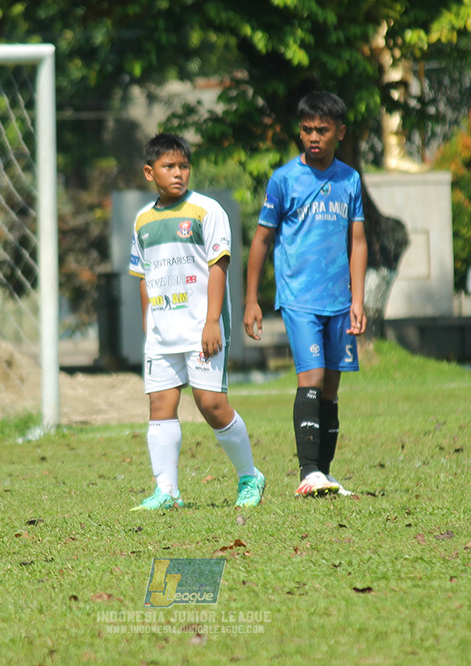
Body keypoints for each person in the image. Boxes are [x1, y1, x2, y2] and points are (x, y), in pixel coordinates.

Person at [128, 133, 266, 510]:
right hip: (161, 334)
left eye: (183, 166)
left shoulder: (207, 211)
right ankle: (167, 491)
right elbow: (143, 277)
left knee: (211, 405)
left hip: (200, 328)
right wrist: (147, 325)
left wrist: (210, 322)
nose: (178, 174)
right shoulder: (141, 219)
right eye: (169, 167)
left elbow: (218, 267)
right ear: (149, 172)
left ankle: (249, 476)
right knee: (160, 406)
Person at [243, 91, 367, 497]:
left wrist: (358, 300)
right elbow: (261, 240)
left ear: (340, 133)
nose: (313, 137)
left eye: (323, 130)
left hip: (339, 301)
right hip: (298, 299)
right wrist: (251, 300)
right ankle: (307, 471)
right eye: (307, 129)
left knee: (331, 388)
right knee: (311, 379)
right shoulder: (283, 180)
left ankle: (323, 476)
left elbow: (359, 241)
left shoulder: (350, 179)